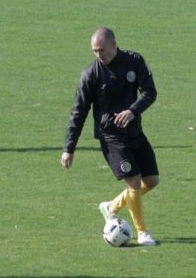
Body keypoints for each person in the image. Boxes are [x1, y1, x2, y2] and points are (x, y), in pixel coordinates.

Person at [60, 28, 160, 246]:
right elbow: (79, 112)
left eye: (102, 50)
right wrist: (69, 148)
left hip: (134, 133)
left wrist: (133, 111)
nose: (98, 54)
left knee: (151, 181)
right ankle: (142, 233)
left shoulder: (134, 61)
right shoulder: (91, 75)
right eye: (94, 51)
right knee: (133, 182)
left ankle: (111, 207)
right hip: (111, 138)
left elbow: (150, 92)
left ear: (114, 45)